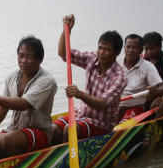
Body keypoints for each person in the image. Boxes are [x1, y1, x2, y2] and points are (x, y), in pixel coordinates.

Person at [53, 14, 127, 143]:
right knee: (52, 129)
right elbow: (63, 53)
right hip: (81, 114)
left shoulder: (119, 77)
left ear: (117, 53)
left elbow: (103, 103)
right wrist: (67, 31)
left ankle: (67, 158)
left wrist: (80, 94)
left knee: (70, 129)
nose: (101, 52)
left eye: (106, 50)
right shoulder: (92, 59)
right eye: (100, 48)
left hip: (101, 124)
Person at [0, 36, 58, 158]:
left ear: (40, 60)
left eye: (29, 57)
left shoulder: (47, 81)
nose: (23, 60)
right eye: (21, 56)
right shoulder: (11, 77)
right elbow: (3, 106)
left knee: (8, 141)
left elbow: (23, 104)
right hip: (14, 129)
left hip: (40, 132)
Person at [118, 34, 163, 120]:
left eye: (134, 47)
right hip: (116, 106)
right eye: (128, 47)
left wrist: (155, 91)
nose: (130, 50)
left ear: (141, 50)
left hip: (135, 107)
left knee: (121, 128)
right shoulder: (116, 64)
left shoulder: (148, 66)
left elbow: (162, 88)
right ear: (124, 48)